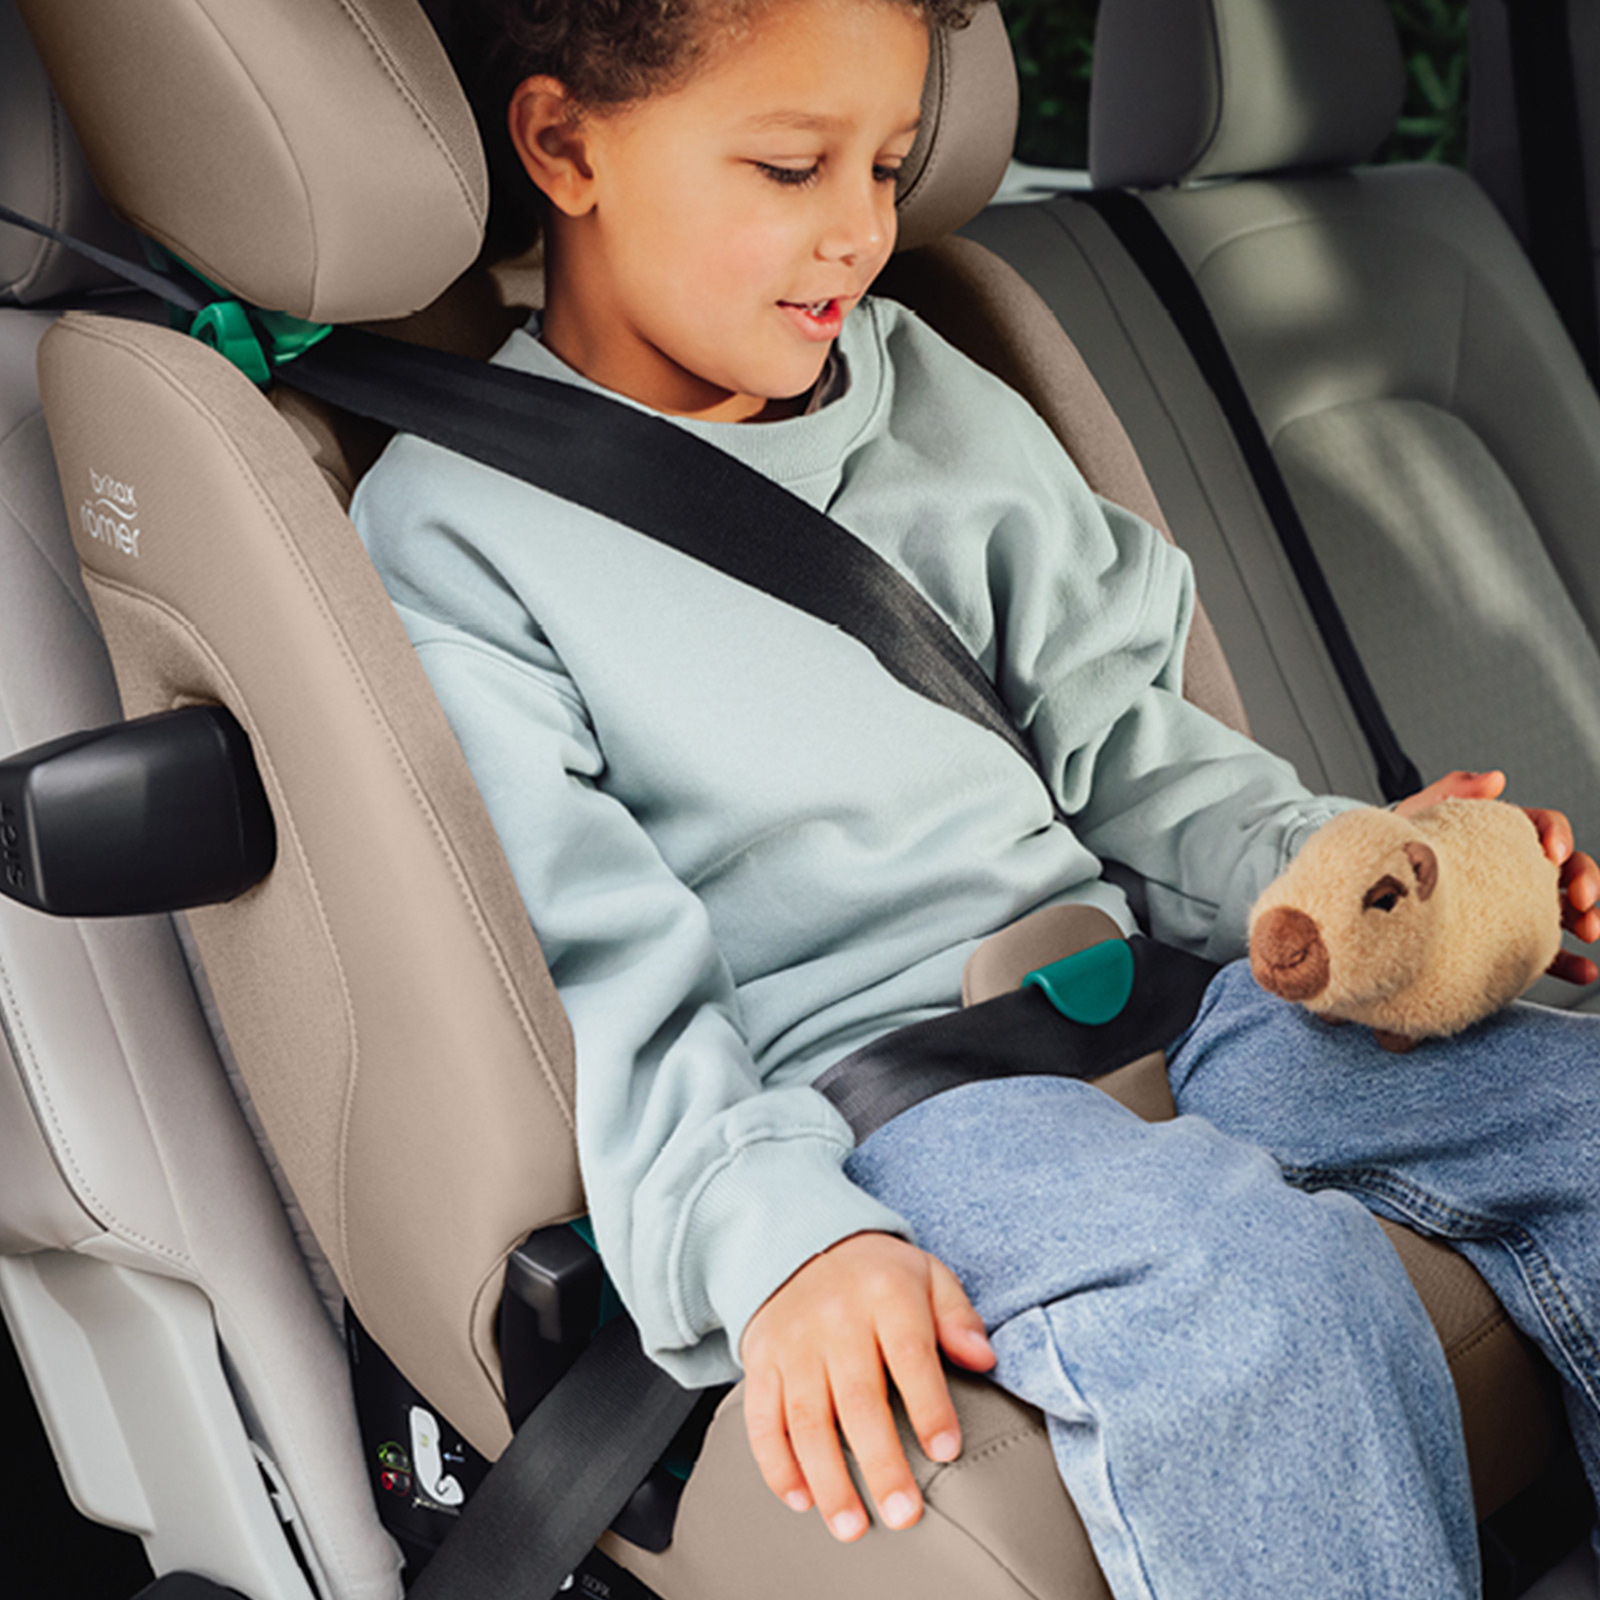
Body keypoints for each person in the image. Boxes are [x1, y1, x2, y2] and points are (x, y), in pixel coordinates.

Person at [350, 0, 1600, 1593]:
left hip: (1170, 1005)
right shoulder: (459, 531)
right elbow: (596, 981)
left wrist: (1350, 876)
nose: (860, 230)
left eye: (886, 165)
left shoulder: (932, 391)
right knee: (1252, 1296)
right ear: (563, 144)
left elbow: (1128, 746)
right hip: (893, 1107)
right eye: (792, 167)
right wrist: (782, 1240)